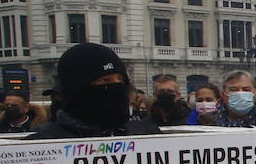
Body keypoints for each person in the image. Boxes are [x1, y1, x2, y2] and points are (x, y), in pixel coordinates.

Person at [31, 43, 164, 139]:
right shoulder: (43, 144)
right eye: (105, 80)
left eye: (120, 80)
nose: (116, 86)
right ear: (77, 90)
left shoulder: (147, 134)